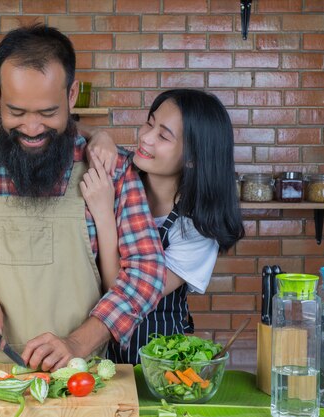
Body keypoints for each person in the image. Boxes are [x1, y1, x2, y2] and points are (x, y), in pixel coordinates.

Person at [0, 24, 166, 373]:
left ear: (71, 96)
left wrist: (78, 342)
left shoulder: (108, 170)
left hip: (75, 376)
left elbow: (145, 272)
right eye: (16, 112)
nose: (31, 128)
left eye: (47, 113)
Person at [79, 89, 245, 364]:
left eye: (163, 135)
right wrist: (100, 136)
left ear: (193, 157)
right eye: (149, 122)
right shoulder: (122, 177)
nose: (145, 137)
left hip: (156, 359)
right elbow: (67, 127)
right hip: (98, 348)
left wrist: (104, 214)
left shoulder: (195, 231)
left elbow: (123, 289)